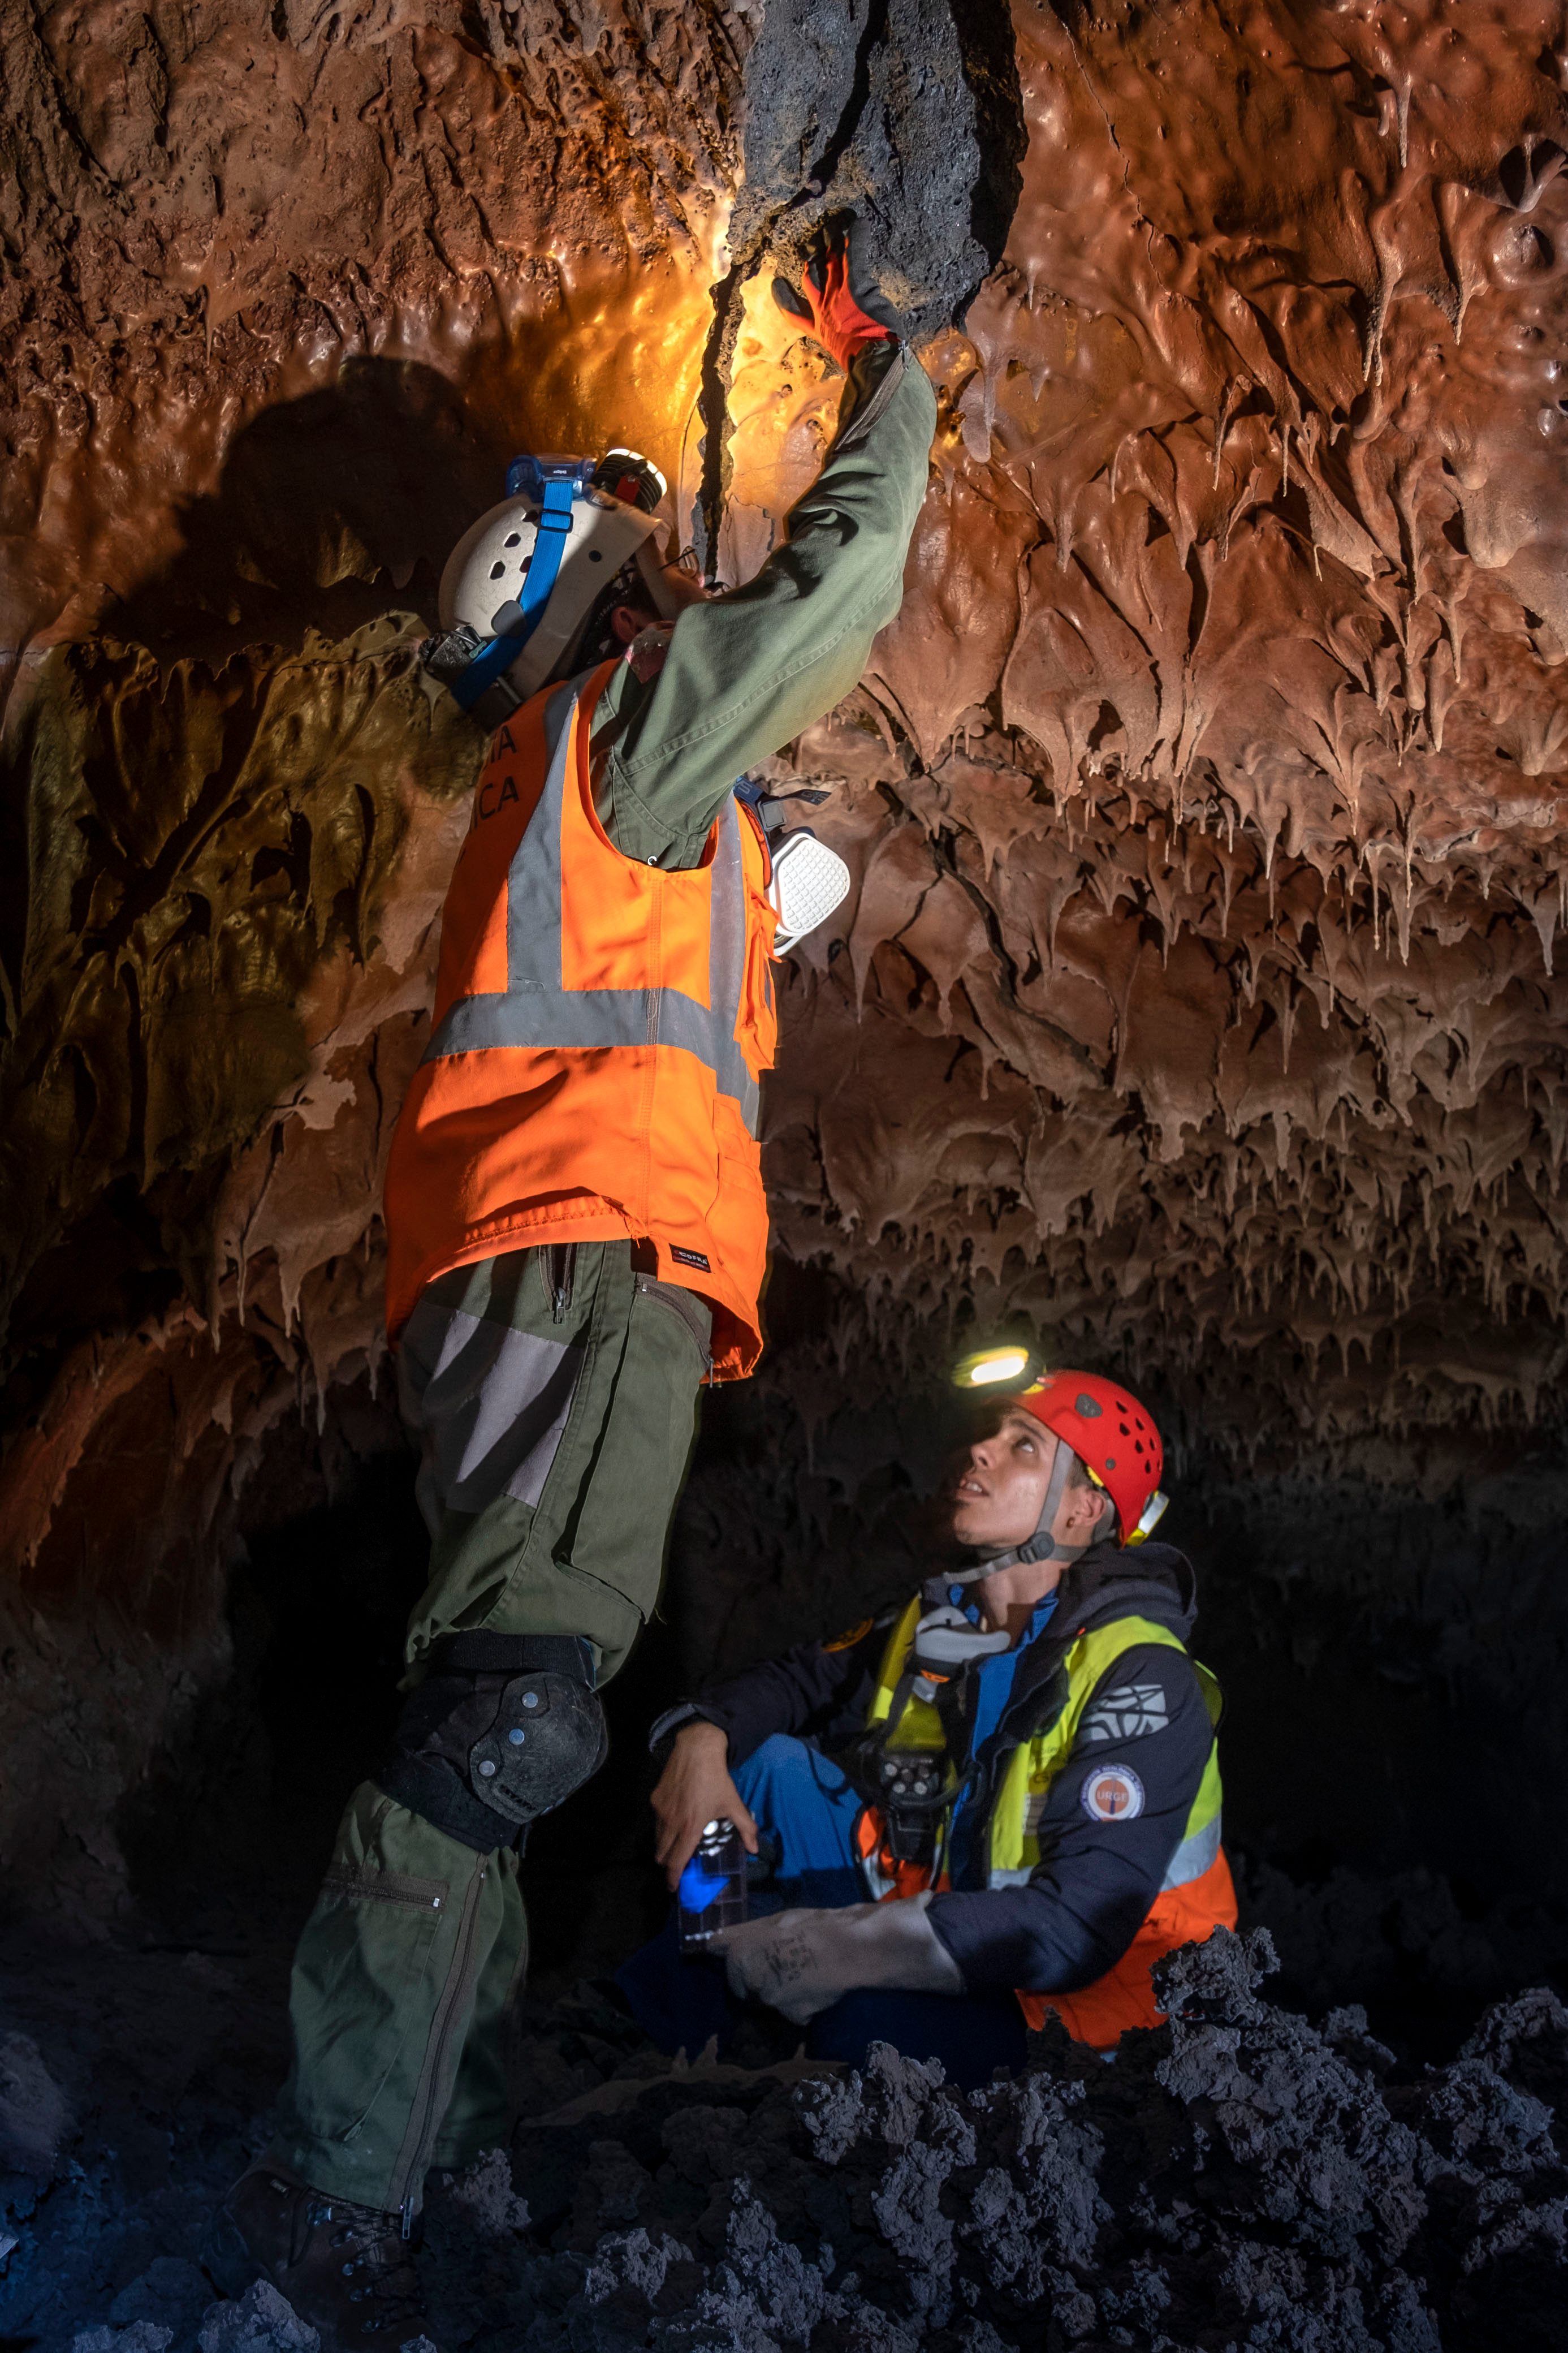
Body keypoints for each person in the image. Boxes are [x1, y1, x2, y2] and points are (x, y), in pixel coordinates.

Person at [210, 222, 938, 2348]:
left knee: (511, 1694)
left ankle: (444, 2126)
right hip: (574, 1263)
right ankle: (350, 2177)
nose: (661, 571)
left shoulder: (582, 796)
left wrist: (758, 897)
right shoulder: (624, 738)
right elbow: (844, 585)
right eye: (634, 558)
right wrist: (890, 376)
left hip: (535, 1270)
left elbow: (649, 988)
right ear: (591, 603)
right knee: (505, 1719)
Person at [619, 1362, 1237, 2088]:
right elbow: (792, 1681)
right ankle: (675, 2033)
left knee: (865, 2033)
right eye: (992, 1433)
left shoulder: (1137, 1673)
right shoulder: (940, 1622)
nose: (982, 1450)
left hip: (1079, 2020)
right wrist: (701, 1740)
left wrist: (835, 1947)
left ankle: (783, 2065)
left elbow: (1072, 1930)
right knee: (763, 1769)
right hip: (938, 1919)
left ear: (1080, 1510)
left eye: (1024, 1446)